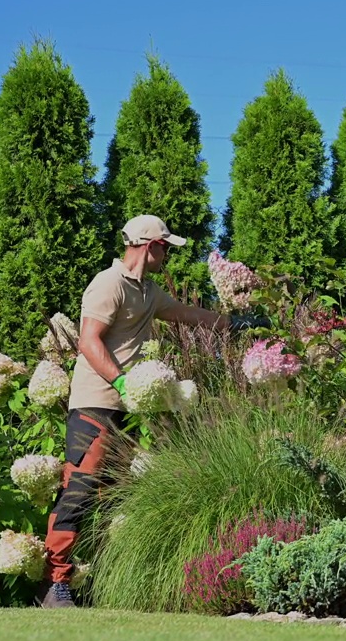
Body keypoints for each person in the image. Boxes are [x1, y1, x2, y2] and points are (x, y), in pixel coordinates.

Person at [41, 214, 229, 608]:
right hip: (95, 404)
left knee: (113, 496)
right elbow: (89, 342)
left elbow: (184, 314)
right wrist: (122, 381)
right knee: (79, 489)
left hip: (128, 408)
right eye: (165, 247)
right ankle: (54, 583)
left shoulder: (147, 290)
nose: (168, 255)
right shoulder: (108, 284)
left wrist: (233, 323)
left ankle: (95, 582)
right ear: (149, 245)